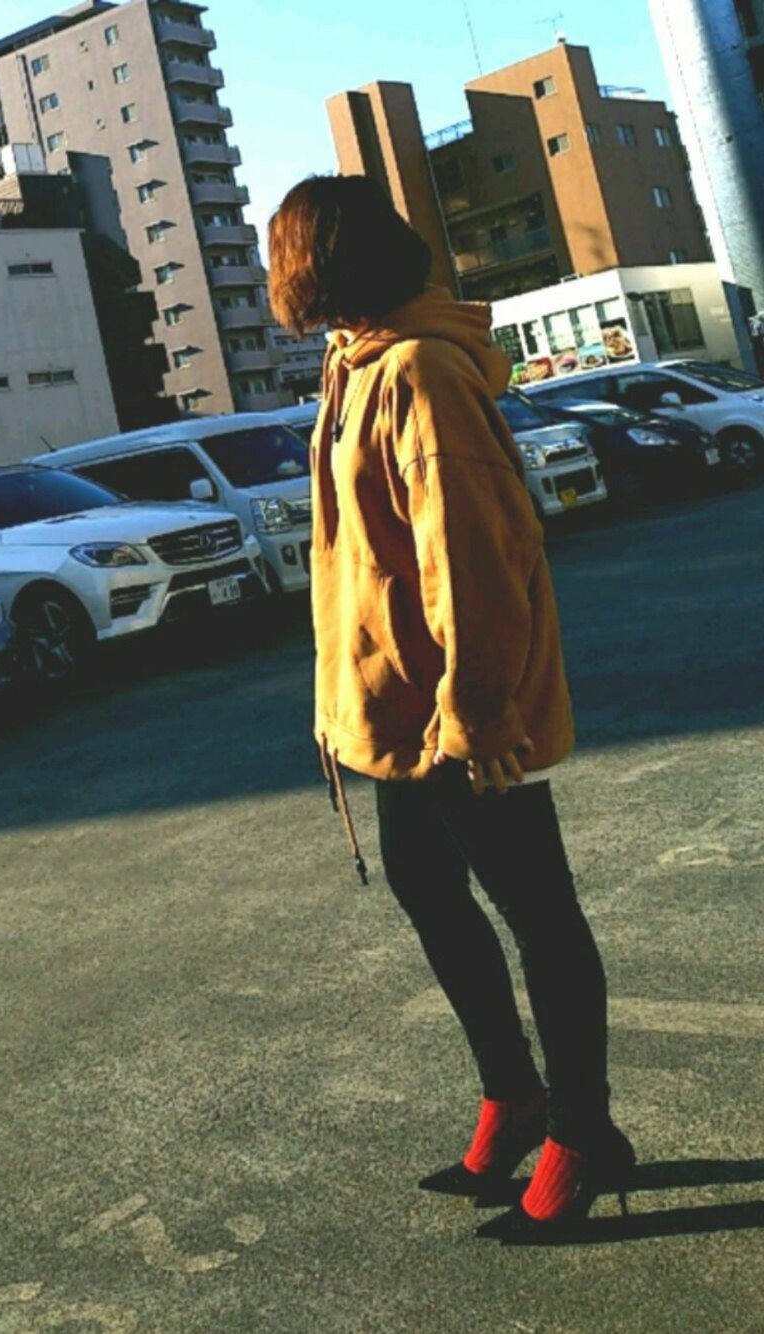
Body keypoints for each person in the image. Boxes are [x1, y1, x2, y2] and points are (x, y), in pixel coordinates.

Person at [267, 175, 635, 1237]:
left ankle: (582, 1131)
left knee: (538, 913)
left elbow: (474, 560)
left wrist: (474, 715)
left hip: (455, 713)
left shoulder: (419, 371)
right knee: (428, 889)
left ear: (314, 261)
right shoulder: (358, 360)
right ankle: (513, 1095)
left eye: (277, 251)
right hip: (392, 711)